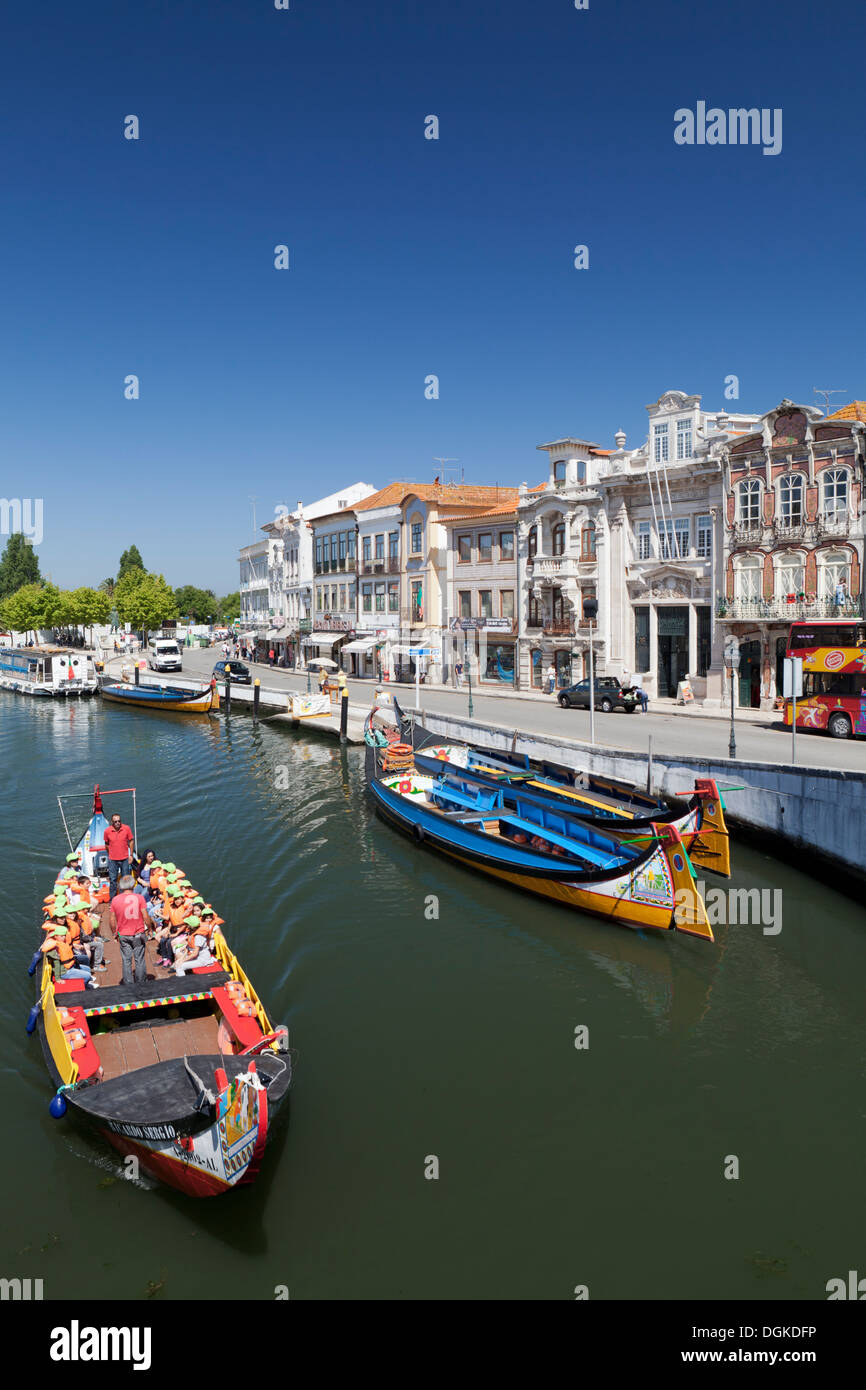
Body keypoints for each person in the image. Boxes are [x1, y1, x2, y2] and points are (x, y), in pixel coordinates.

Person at [110, 874, 150, 986]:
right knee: (139, 959)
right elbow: (146, 916)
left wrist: (115, 933)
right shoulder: (140, 898)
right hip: (138, 933)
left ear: (121, 886)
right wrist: (150, 928)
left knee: (126, 960)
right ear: (133, 884)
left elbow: (112, 920)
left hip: (123, 934)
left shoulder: (115, 900)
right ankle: (141, 983)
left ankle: (128, 984)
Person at [104, 812, 135, 900]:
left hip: (125, 859)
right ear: (112, 822)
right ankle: (112, 899)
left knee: (125, 880)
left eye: (119, 821)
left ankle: (123, 898)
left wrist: (131, 855)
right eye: (115, 821)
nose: (117, 823)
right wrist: (110, 854)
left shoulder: (126, 828)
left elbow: (131, 841)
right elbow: (106, 844)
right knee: (113, 880)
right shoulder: (107, 831)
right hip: (112, 860)